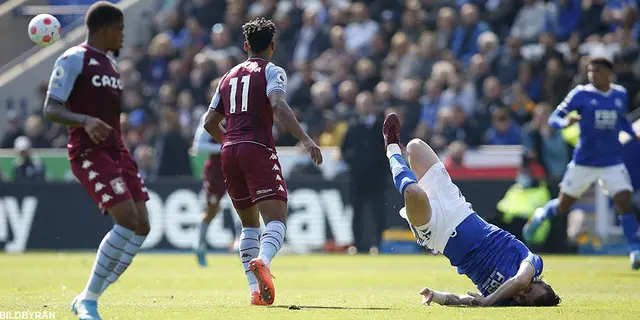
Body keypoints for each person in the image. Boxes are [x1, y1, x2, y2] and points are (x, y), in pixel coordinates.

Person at [381, 112, 560, 307]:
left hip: (440, 234)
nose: (521, 294)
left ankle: (391, 149)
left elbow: (468, 300)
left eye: (525, 301)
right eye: (529, 291)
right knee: (415, 146)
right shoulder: (532, 264)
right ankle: (396, 152)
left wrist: (438, 296)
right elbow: (518, 282)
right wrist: (488, 301)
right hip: (459, 209)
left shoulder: (505, 300)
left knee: (414, 192)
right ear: (539, 281)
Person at [202, 17, 323, 306]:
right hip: (257, 147)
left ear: (245, 46)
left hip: (229, 151)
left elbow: (209, 123)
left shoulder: (227, 76)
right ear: (272, 46)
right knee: (276, 221)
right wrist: (305, 139)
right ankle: (264, 260)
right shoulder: (272, 70)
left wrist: (230, 142)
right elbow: (278, 104)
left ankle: (255, 291)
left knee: (249, 227)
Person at [43, 2, 151, 319]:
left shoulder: (111, 65)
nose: (122, 37)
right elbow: (51, 108)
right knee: (127, 220)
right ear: (104, 29)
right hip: (89, 151)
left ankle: (89, 295)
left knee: (143, 226)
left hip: (118, 150)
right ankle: (89, 299)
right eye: (119, 30)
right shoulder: (74, 58)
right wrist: (85, 120)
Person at [523, 57, 640, 270]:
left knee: (624, 200)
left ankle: (635, 250)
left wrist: (633, 132)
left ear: (608, 74)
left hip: (612, 160)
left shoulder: (619, 94)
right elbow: (554, 118)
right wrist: (564, 122)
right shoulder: (581, 93)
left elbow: (621, 120)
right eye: (589, 71)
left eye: (597, 71)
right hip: (584, 161)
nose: (592, 75)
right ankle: (540, 216)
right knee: (563, 205)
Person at [192, 109, 227, 267]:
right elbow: (198, 146)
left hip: (239, 166)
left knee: (247, 206)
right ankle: (199, 247)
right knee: (211, 210)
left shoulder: (242, 111)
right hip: (217, 170)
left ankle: (246, 249)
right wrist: (226, 147)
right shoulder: (210, 116)